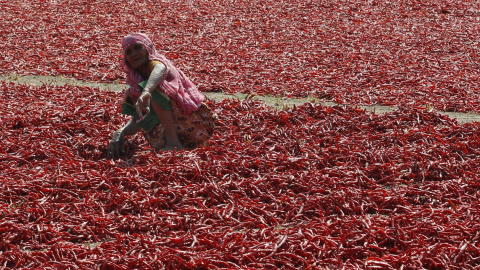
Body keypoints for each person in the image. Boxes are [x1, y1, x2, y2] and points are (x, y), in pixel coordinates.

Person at [107, 33, 216, 159]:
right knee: (132, 93)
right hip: (174, 136)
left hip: (195, 125)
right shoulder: (136, 83)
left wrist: (147, 91)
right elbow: (137, 121)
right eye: (128, 52)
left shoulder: (157, 63)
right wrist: (121, 132)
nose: (134, 54)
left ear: (147, 48)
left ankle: (173, 143)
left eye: (138, 48)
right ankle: (169, 144)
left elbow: (160, 69)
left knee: (154, 86)